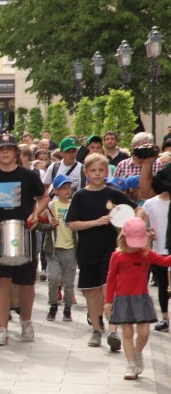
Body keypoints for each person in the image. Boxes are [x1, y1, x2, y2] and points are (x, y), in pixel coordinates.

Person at [67, 153, 141, 349]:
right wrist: (96, 222)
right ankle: (96, 329)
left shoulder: (113, 194)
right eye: (93, 170)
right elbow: (72, 224)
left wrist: (137, 224)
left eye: (101, 170)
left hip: (110, 248)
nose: (98, 174)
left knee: (108, 287)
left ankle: (113, 331)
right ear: (86, 173)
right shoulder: (80, 196)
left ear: (107, 171)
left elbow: (137, 209)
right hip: (87, 249)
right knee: (91, 291)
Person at [0, 134, 49, 345]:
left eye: (9, 149)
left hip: (25, 231)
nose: (5, 152)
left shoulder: (28, 175)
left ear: (16, 153)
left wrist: (35, 213)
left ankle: (26, 322)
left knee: (26, 283)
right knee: (1, 281)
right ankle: (2, 328)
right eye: (1, 149)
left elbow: (44, 196)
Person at [105, 218, 171, 379]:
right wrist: (108, 301)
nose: (135, 247)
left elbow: (164, 261)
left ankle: (137, 352)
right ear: (124, 238)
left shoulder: (146, 254)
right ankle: (131, 365)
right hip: (122, 298)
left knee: (144, 332)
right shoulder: (117, 255)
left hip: (141, 298)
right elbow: (111, 277)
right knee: (127, 333)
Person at [41, 175, 77, 321]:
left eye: (68, 188)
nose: (66, 190)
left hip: (70, 248)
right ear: (55, 191)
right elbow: (39, 225)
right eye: (63, 188)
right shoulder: (50, 206)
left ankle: (67, 309)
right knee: (53, 278)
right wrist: (50, 225)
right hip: (53, 249)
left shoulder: (74, 205)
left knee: (69, 281)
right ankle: (53, 305)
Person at [141, 182, 170, 331]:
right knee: (163, 285)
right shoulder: (151, 203)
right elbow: (140, 222)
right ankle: (165, 318)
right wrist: (147, 232)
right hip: (159, 250)